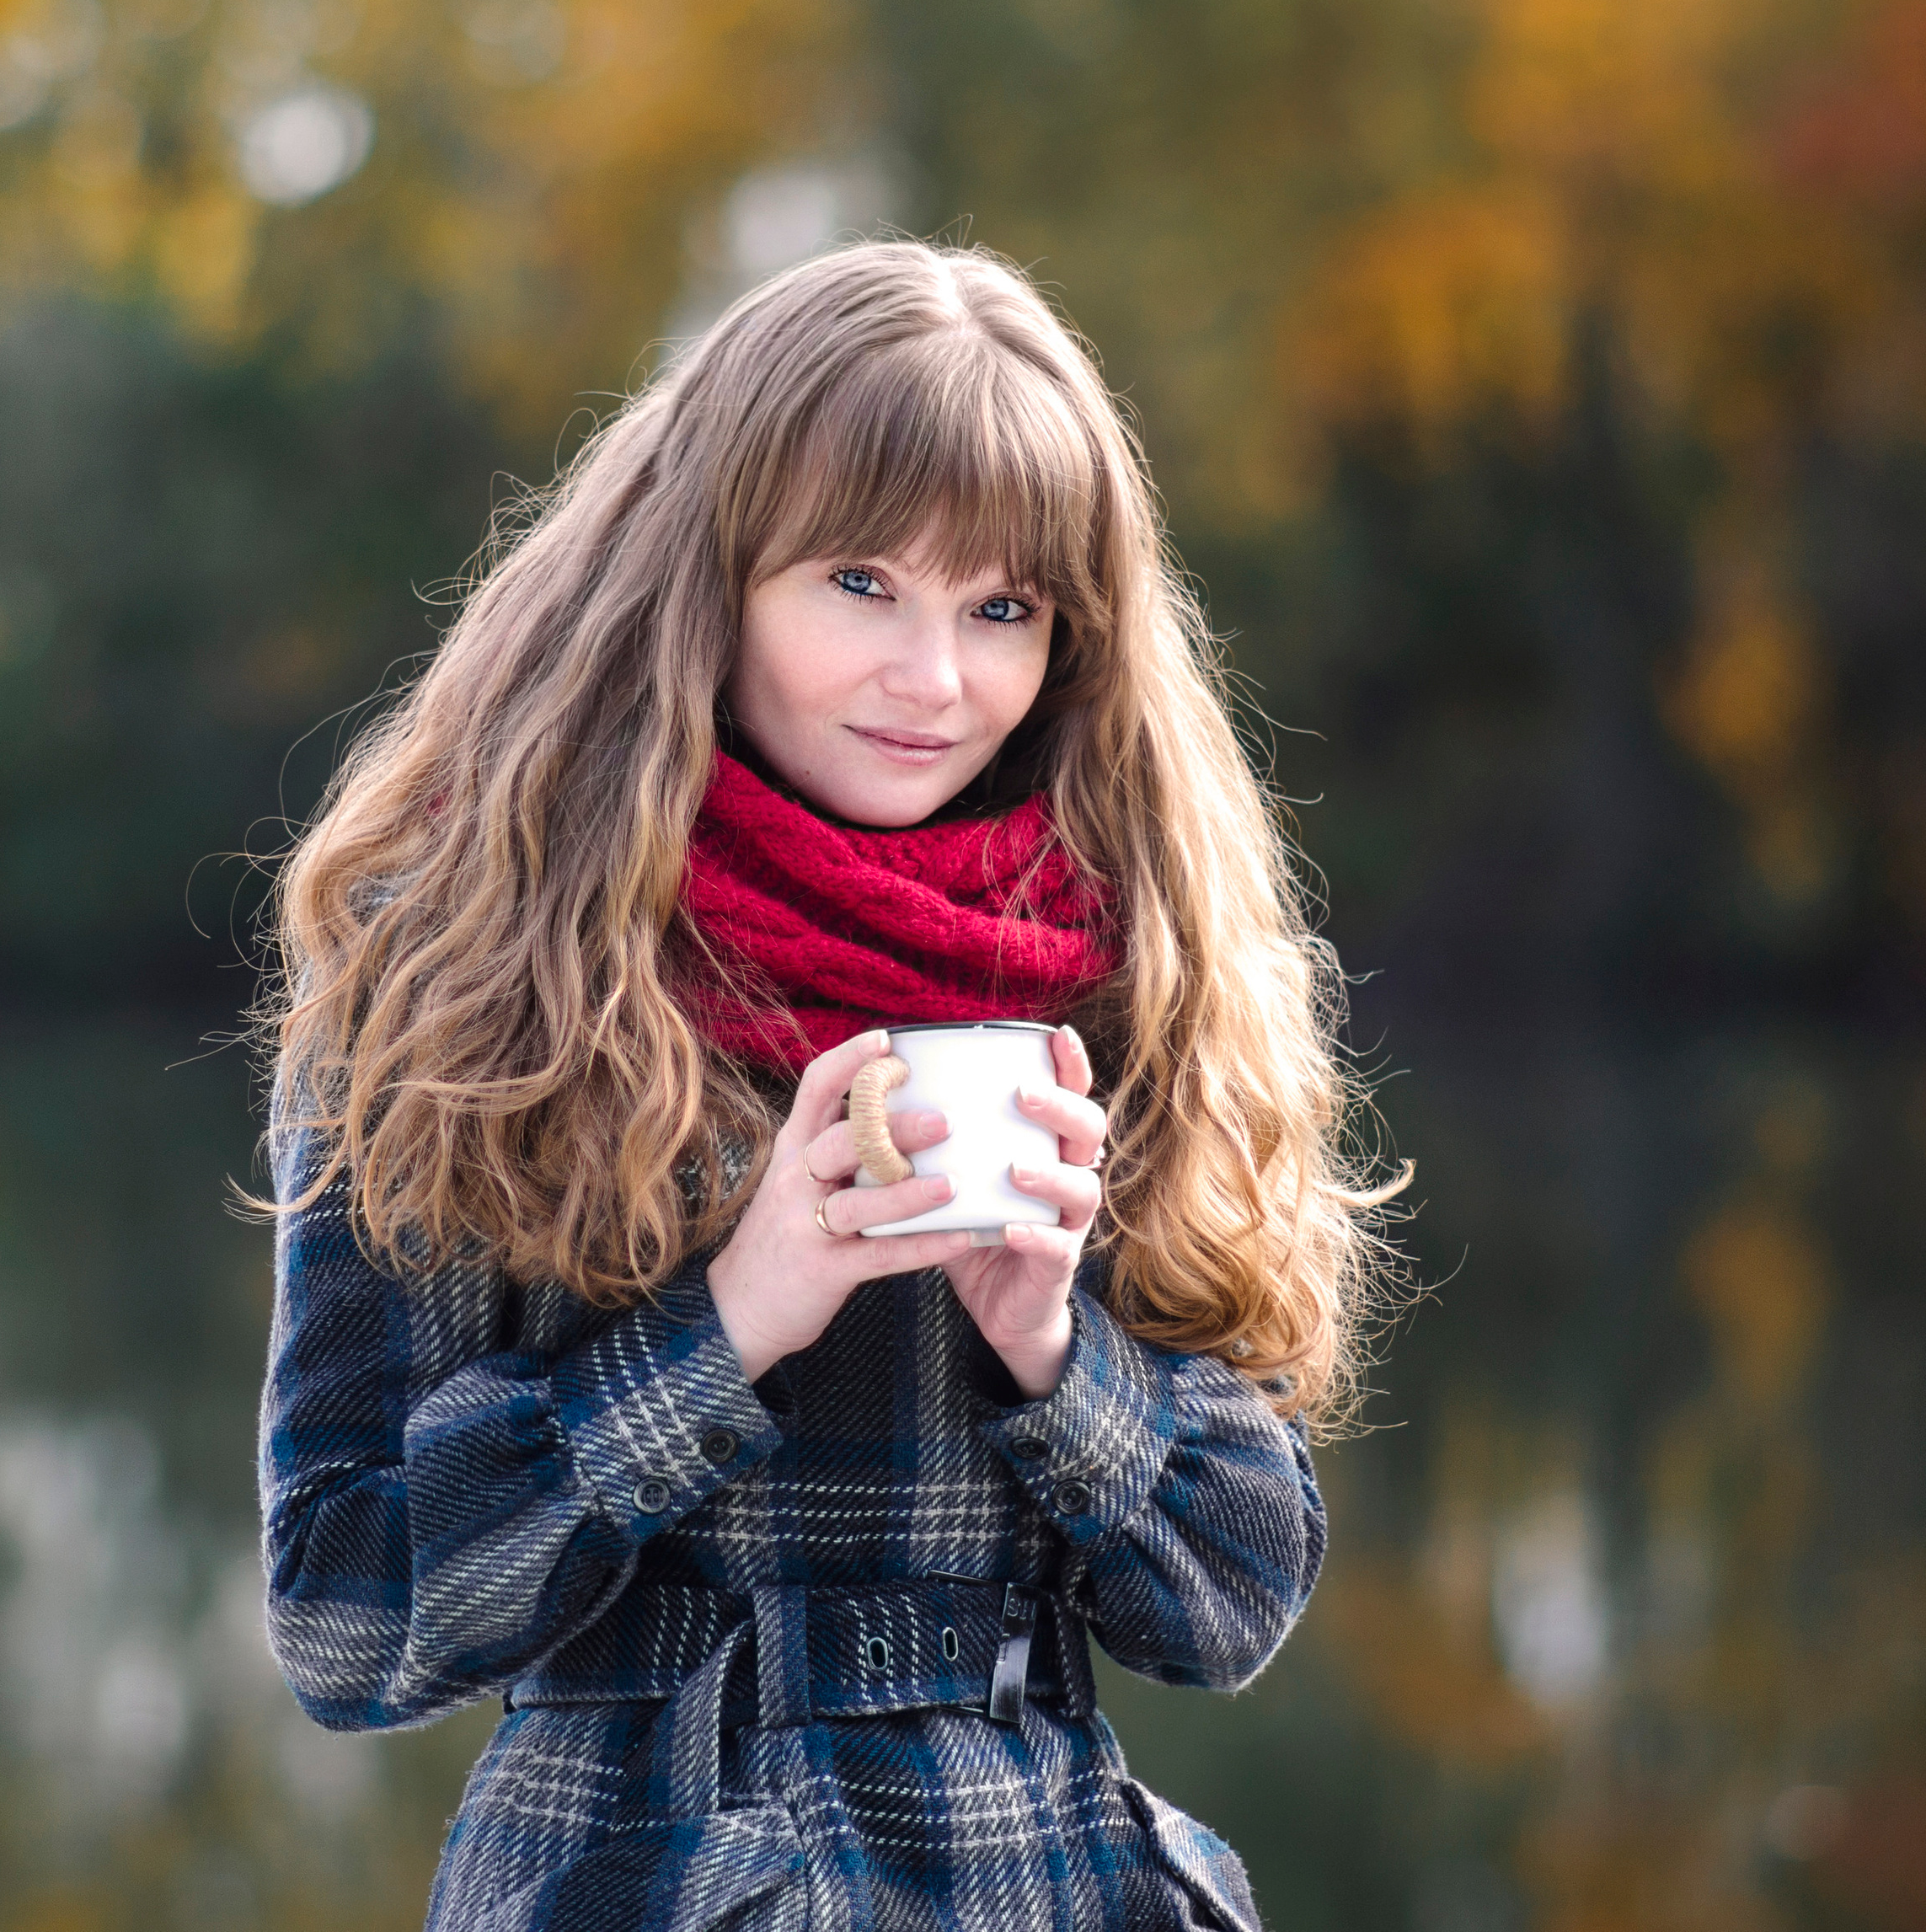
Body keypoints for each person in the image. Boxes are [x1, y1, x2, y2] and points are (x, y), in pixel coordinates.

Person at [251, 238, 1398, 1932]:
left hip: (1061, 1881)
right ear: (703, 578)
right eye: (858, 581)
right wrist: (728, 1319)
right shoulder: (463, 962)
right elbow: (344, 1619)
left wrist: (1057, 1347)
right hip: (640, 1875)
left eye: (999, 606)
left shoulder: (1133, 947)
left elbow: (1233, 1604)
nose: (931, 680)